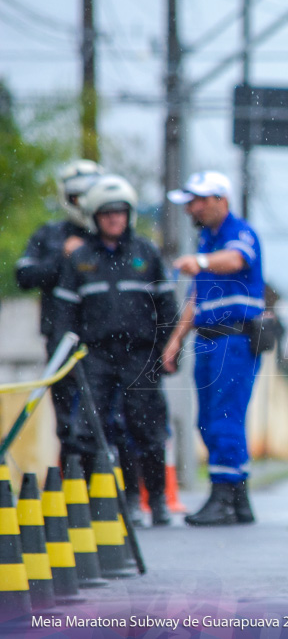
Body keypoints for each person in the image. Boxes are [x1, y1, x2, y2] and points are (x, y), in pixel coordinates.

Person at [51, 174, 178, 527]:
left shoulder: (146, 253)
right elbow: (65, 315)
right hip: (96, 357)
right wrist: (65, 359)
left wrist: (170, 350)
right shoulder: (80, 259)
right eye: (106, 213)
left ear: (129, 215)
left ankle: (155, 501)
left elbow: (167, 309)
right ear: (94, 217)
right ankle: (97, 505)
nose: (114, 219)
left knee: (146, 428)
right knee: (89, 432)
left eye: (120, 212)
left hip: (140, 356)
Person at [161, 171, 264, 527]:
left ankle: (224, 497)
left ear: (222, 200)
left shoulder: (239, 232)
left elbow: (237, 259)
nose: (194, 208)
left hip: (233, 340)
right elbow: (197, 298)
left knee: (224, 419)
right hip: (208, 340)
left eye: (200, 200)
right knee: (208, 421)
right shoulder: (206, 240)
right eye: (191, 202)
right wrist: (175, 341)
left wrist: (201, 262)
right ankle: (238, 499)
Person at [16, 160, 104, 471]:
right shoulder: (51, 234)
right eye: (78, 196)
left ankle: (110, 489)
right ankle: (72, 488)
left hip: (104, 338)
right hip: (61, 336)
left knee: (108, 418)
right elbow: (24, 275)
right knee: (68, 419)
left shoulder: (108, 233)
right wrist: (61, 257)